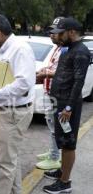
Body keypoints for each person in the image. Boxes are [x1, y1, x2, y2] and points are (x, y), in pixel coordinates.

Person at [0, 14, 36, 194]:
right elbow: (0, 79)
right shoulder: (5, 50)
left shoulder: (19, 49)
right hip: (7, 110)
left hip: (13, 112)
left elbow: (23, 83)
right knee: (12, 159)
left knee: (4, 164)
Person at [42, 18, 91, 193]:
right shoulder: (68, 48)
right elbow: (64, 73)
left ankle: (64, 183)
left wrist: (68, 108)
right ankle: (62, 171)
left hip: (67, 106)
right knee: (62, 140)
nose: (57, 36)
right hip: (59, 101)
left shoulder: (81, 52)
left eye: (60, 32)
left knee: (68, 143)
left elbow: (79, 82)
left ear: (71, 32)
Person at [35, 17, 67, 170]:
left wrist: (45, 73)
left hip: (58, 94)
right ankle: (52, 152)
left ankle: (55, 157)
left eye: (56, 32)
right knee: (51, 123)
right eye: (51, 32)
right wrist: (44, 71)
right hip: (49, 92)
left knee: (55, 127)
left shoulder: (67, 49)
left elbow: (62, 72)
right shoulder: (58, 47)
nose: (52, 35)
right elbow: (54, 67)